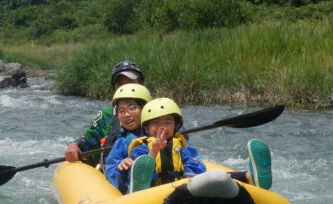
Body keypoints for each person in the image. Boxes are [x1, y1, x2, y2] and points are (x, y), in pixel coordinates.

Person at [107, 97, 273, 194]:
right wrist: (153, 151)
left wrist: (192, 177)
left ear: (176, 125)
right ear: (147, 127)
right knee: (143, 170)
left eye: (168, 122)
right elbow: (138, 170)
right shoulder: (141, 147)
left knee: (214, 176)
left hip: (180, 186)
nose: (162, 127)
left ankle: (252, 177)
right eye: (156, 123)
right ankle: (138, 193)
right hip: (151, 190)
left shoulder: (181, 144)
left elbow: (196, 166)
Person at [65, 61, 145, 166]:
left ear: (141, 84)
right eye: (120, 84)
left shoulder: (157, 110)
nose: (125, 88)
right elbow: (88, 140)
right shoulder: (106, 115)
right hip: (114, 171)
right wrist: (74, 145)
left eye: (130, 82)